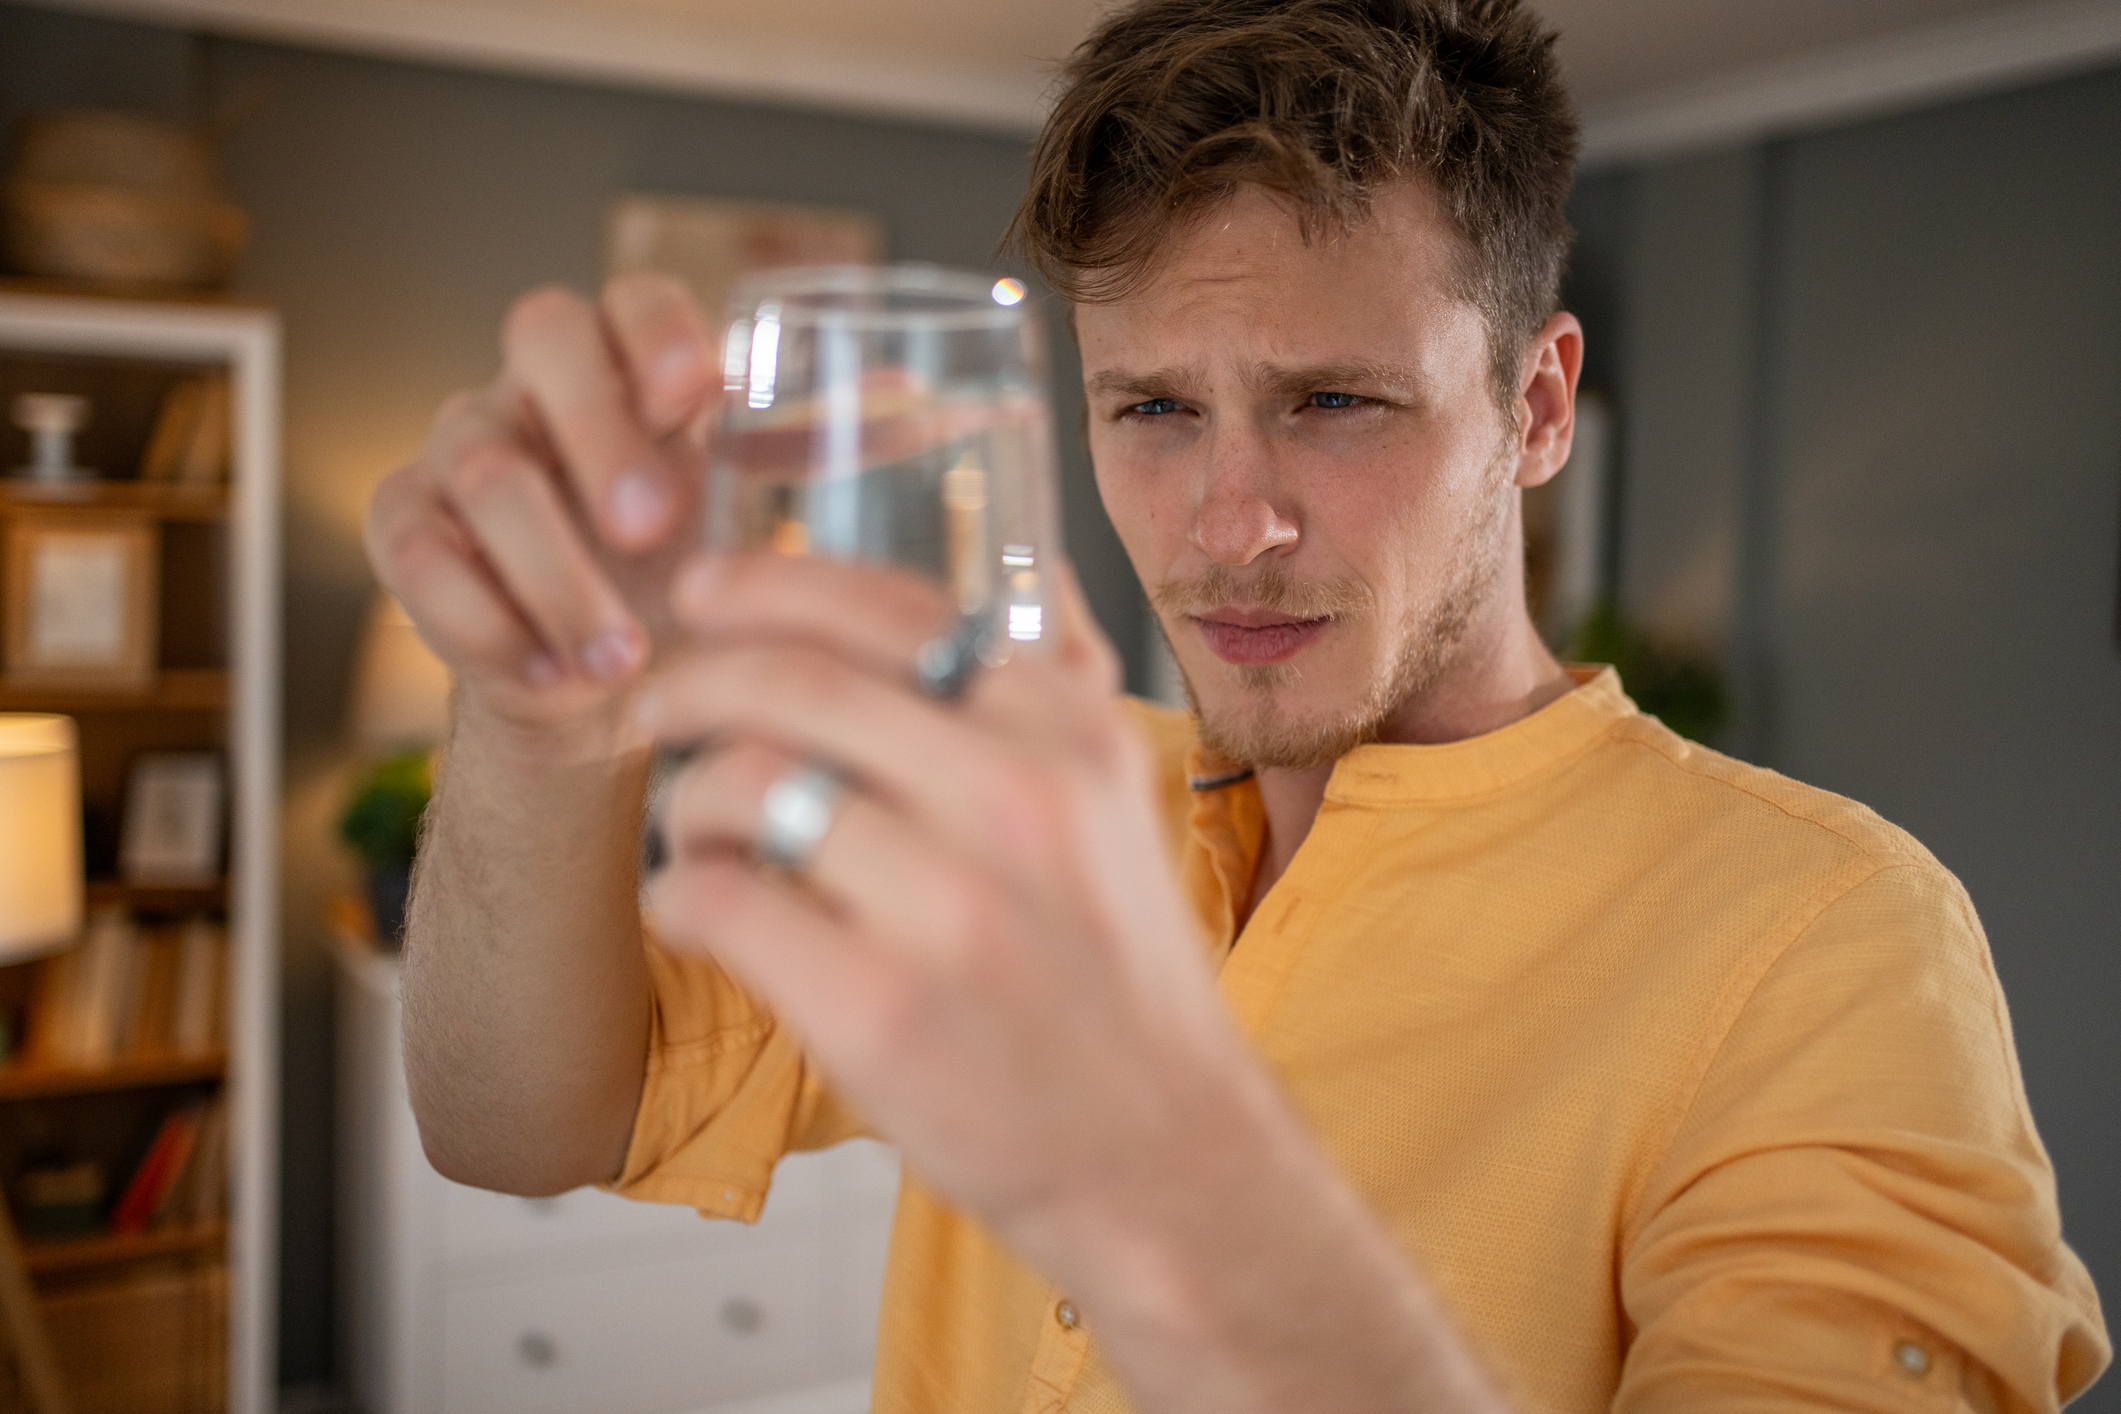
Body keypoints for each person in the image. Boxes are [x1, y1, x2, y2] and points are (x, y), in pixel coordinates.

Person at [365, 0, 2110, 1410]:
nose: (1227, 523)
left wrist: (1155, 1171)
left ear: (1537, 404)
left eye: (1337, 401)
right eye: (1149, 410)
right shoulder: (1021, 825)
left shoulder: (1827, 942)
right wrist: (543, 711)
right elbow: (512, 1123)